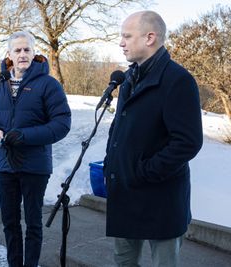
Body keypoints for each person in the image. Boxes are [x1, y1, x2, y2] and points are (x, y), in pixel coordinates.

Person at [103, 11, 203, 267]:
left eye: (126, 36)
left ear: (150, 37)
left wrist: (143, 172)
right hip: (126, 195)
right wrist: (110, 163)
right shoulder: (129, 79)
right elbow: (119, 128)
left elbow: (187, 142)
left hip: (161, 200)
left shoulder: (178, 80)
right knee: (123, 262)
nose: (121, 42)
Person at [0, 31, 71, 267]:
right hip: (5, 163)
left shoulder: (48, 84)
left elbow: (62, 124)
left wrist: (25, 136)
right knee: (9, 222)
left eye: (26, 50)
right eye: (17, 50)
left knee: (33, 223)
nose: (22, 54)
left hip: (35, 165)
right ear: (9, 55)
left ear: (34, 52)